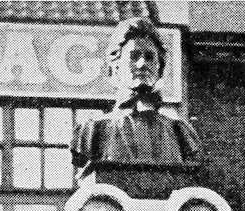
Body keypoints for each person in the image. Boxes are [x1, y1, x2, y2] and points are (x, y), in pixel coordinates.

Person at [71, 17, 202, 178]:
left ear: (159, 68)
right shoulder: (93, 130)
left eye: (149, 57)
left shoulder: (180, 132)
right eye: (134, 56)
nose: (142, 64)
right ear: (116, 67)